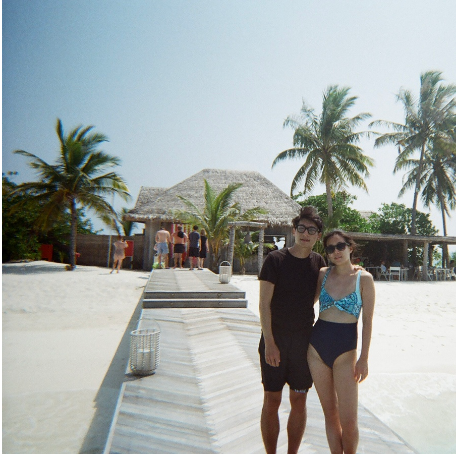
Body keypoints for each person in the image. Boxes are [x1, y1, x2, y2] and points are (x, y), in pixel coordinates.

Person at [258, 206, 326, 454]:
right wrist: (270, 343)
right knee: (272, 399)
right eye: (301, 228)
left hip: (303, 344)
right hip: (274, 340)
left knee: (299, 399)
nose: (305, 234)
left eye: (311, 230)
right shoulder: (275, 260)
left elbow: (314, 297)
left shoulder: (319, 263)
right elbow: (264, 304)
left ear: (318, 235)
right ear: (294, 230)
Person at [307, 230, 375, 454]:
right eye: (330, 248)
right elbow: (305, 303)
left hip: (346, 352)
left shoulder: (364, 279)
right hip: (316, 349)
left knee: (349, 420)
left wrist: (364, 358)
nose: (336, 251)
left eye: (340, 246)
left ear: (350, 247)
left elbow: (367, 321)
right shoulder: (323, 274)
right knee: (330, 415)